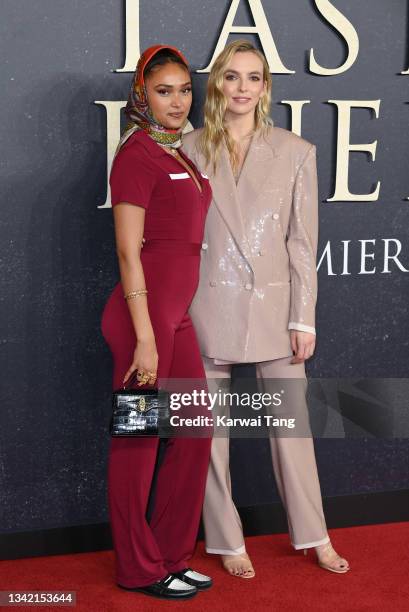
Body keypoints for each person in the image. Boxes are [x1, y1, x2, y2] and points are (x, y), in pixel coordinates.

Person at [182, 40, 350, 578]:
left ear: (265, 87)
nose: (242, 88)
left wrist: (304, 318)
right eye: (232, 77)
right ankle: (227, 540)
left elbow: (303, 243)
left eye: (253, 78)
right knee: (207, 434)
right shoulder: (188, 148)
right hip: (207, 302)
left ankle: (314, 535)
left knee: (293, 431)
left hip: (275, 307)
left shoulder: (296, 150)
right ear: (218, 84)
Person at [101, 44, 213, 600]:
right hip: (141, 323)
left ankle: (170, 555)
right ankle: (138, 568)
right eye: (164, 90)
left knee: (196, 431)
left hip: (176, 321)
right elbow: (128, 254)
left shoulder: (180, 154)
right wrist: (145, 338)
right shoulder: (137, 156)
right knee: (137, 440)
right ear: (142, 93)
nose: (177, 100)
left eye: (185, 89)